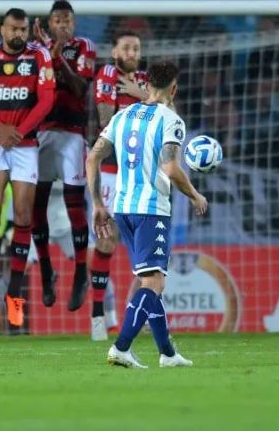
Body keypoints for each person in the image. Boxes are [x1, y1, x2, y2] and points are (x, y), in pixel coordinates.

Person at [86, 60, 207, 368]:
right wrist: (194, 194)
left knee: (151, 281)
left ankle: (167, 353)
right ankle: (122, 347)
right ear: (174, 89)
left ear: (147, 83)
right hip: (152, 209)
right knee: (152, 284)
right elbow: (170, 167)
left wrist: (98, 203)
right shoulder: (171, 120)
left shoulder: (123, 114)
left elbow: (93, 157)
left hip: (123, 208)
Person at [0, 8, 56, 331]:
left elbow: (45, 101)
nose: (19, 35)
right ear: (2, 29)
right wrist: (0, 128)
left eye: (23, 30)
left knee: (23, 215)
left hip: (25, 144)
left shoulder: (40, 56)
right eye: (13, 29)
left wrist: (18, 132)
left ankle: (14, 295)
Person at [31, 0, 96, 311]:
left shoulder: (84, 47)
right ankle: (46, 270)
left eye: (68, 20)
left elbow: (81, 88)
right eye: (57, 20)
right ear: (48, 24)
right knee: (36, 207)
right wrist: (46, 57)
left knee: (75, 207)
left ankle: (81, 271)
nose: (64, 25)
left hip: (72, 133)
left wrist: (58, 60)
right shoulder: (34, 51)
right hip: (41, 132)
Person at [89, 30, 149, 341]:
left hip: (143, 173)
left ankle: (145, 312)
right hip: (113, 170)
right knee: (106, 241)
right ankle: (98, 315)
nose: (131, 52)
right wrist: (145, 105)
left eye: (136, 47)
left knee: (146, 246)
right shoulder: (107, 74)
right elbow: (105, 121)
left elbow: (170, 115)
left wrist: (142, 96)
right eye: (126, 47)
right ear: (114, 51)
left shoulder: (145, 79)